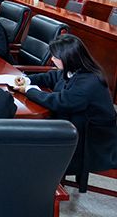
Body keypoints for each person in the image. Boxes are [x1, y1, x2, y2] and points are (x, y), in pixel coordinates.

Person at [14, 35, 117, 175]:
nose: (52, 59)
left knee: (34, 145)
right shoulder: (74, 70)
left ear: (68, 58)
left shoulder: (89, 82)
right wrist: (27, 80)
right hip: (75, 126)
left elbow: (61, 102)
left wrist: (28, 90)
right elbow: (51, 77)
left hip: (92, 142)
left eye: (55, 57)